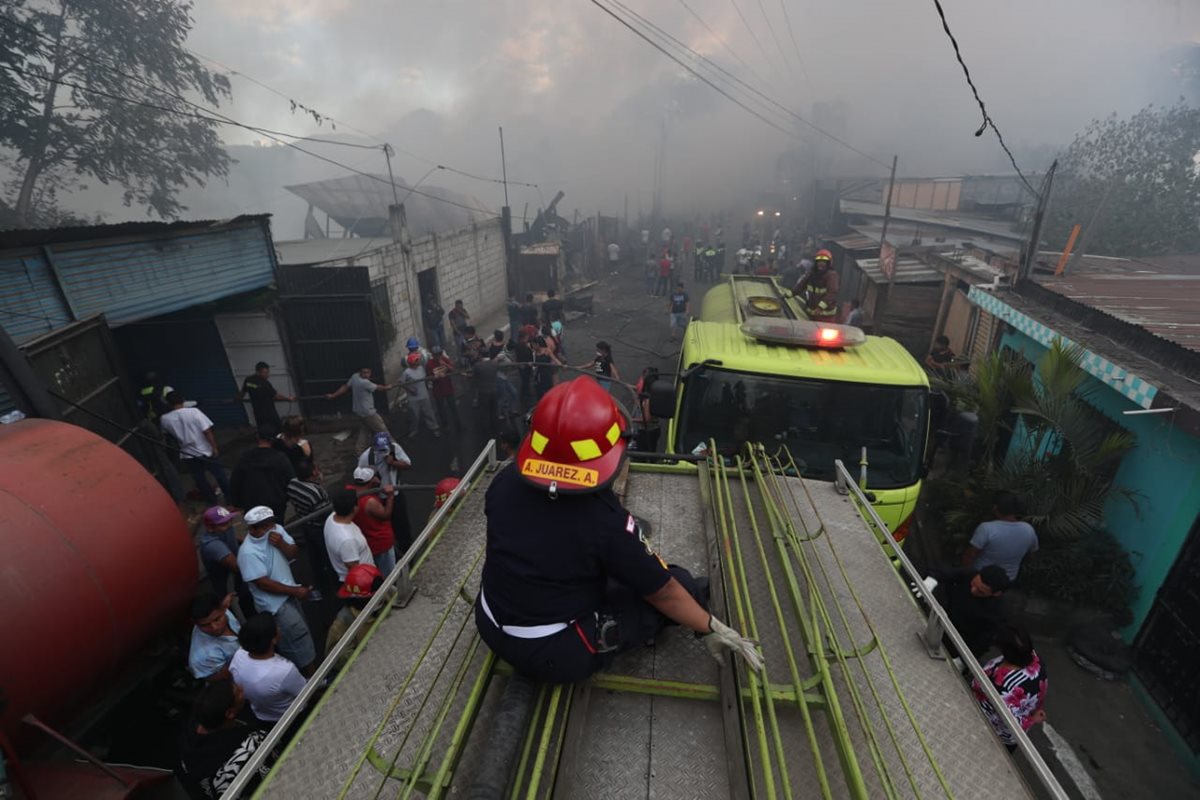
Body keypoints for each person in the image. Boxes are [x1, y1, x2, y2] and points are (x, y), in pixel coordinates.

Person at [475, 378, 762, 683]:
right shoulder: (604, 521)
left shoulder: (504, 483)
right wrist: (709, 627)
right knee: (683, 585)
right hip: (553, 654)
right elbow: (664, 592)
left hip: (491, 621)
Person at [236, 506, 316, 675]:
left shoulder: (277, 530)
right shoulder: (248, 553)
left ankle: (312, 672)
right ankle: (311, 679)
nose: (270, 529)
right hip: (276, 606)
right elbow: (263, 583)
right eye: (264, 527)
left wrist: (282, 544)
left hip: (290, 594)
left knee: (302, 633)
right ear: (252, 529)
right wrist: (296, 591)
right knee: (296, 641)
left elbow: (293, 552)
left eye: (270, 524)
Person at [177, 678, 268, 798]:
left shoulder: (194, 726)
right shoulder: (251, 743)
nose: (242, 689)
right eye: (238, 693)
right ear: (230, 713)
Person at [970, 625, 1048, 752]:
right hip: (1019, 719)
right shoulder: (1036, 660)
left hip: (994, 732)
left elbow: (1010, 722)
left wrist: (1032, 720)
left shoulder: (1003, 689)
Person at [229, 613, 307, 724]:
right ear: (273, 640)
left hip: (261, 716)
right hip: (291, 716)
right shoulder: (284, 671)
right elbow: (304, 691)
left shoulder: (238, 656)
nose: (279, 628)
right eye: (277, 627)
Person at [160, 392, 232, 506]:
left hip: (187, 453)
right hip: (205, 450)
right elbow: (207, 431)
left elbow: (168, 435)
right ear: (183, 400)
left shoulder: (164, 419)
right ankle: (230, 499)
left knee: (200, 479)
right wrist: (214, 447)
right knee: (220, 475)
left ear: (168, 403)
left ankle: (212, 501)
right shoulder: (194, 412)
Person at [929, 564, 1011, 659]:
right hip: (937, 620)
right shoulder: (968, 574)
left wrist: (963, 660)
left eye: (980, 591)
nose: (973, 590)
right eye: (973, 584)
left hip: (957, 642)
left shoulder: (997, 613)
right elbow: (944, 572)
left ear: (996, 594)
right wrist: (932, 580)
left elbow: (984, 642)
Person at [357, 431, 413, 552]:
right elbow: (360, 477)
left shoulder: (395, 448)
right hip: (377, 497)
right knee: (380, 527)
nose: (382, 453)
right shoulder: (366, 457)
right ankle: (389, 550)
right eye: (379, 450)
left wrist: (393, 462)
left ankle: (407, 551)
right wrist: (372, 481)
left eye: (384, 450)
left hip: (395, 494)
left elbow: (407, 464)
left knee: (402, 527)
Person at [963, 491, 1039, 581]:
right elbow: (1032, 555)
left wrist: (966, 576)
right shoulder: (1028, 529)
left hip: (981, 578)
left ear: (995, 508)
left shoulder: (987, 528)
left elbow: (970, 555)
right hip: (1007, 579)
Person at [286, 459, 336, 591]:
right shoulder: (315, 492)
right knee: (328, 556)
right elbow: (324, 512)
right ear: (313, 472)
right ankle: (335, 585)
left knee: (314, 557)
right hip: (318, 527)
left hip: (305, 524)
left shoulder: (293, 484)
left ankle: (321, 584)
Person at [325, 563, 386, 668]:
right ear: (359, 600)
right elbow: (336, 657)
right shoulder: (344, 622)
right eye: (374, 598)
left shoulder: (386, 594)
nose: (380, 600)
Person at [230, 424, 295, 520]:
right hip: (276, 504)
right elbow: (291, 480)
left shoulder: (245, 457)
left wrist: (236, 503)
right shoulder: (280, 458)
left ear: (257, 437)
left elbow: (235, 482)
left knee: (257, 531)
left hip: (252, 505)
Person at [198, 506, 253, 617]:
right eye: (223, 524)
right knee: (246, 611)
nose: (228, 526)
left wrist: (248, 542)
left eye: (229, 521)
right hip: (231, 589)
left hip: (242, 580)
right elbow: (236, 567)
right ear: (210, 528)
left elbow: (233, 537)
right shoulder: (213, 546)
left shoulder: (224, 528)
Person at [350, 467, 398, 575]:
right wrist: (390, 497)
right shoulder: (369, 502)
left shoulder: (349, 493)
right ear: (372, 480)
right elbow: (386, 515)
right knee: (388, 574)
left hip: (365, 544)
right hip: (380, 543)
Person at [323, 489, 375, 582]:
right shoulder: (347, 540)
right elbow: (354, 570)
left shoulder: (331, 518)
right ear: (355, 508)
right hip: (364, 582)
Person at [188, 592, 242, 682]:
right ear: (195, 624)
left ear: (224, 609)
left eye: (217, 619)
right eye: (205, 625)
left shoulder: (222, 609)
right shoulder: (202, 657)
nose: (214, 628)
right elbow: (221, 677)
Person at [326, 366, 393, 437]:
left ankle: (359, 448)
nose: (366, 375)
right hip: (368, 412)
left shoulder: (355, 377)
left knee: (365, 431)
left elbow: (345, 387)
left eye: (368, 373)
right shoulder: (364, 383)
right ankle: (393, 445)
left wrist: (333, 395)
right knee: (382, 430)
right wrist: (388, 387)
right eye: (364, 373)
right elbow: (379, 388)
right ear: (360, 372)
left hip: (359, 412)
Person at [237, 362, 295, 431]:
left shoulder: (249, 381)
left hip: (258, 413)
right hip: (269, 412)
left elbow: (243, 391)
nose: (268, 375)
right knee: (277, 429)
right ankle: (278, 440)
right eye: (265, 373)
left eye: (268, 372)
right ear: (258, 372)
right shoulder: (264, 383)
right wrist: (288, 398)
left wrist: (237, 399)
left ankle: (268, 440)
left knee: (264, 430)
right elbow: (276, 396)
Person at [400, 352, 440, 439]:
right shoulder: (406, 372)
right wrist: (410, 390)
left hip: (424, 394)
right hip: (413, 398)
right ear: (411, 362)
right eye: (416, 360)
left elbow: (425, 378)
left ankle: (434, 427)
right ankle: (414, 430)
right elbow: (401, 383)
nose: (418, 362)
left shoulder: (421, 368)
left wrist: (429, 383)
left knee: (429, 412)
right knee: (414, 415)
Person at [793, 249, 839, 320]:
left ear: (828, 263)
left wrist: (820, 307)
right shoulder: (811, 274)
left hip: (826, 317)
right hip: (810, 314)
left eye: (824, 262)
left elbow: (831, 293)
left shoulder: (831, 275)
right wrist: (789, 294)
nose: (821, 263)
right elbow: (800, 286)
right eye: (819, 261)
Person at [427, 345, 461, 430]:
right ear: (433, 355)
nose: (438, 356)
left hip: (448, 388)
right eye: (436, 355)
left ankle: (458, 422)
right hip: (438, 390)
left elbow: (452, 369)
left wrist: (445, 364)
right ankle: (445, 424)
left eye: (439, 354)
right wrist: (434, 378)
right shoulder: (429, 364)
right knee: (441, 408)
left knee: (453, 406)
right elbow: (428, 377)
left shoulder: (444, 360)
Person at [532, 336, 561, 400]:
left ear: (537, 344)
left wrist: (560, 364)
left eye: (533, 344)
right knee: (539, 389)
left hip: (547, 373)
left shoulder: (547, 351)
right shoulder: (535, 352)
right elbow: (535, 364)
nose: (532, 346)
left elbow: (554, 359)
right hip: (539, 373)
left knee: (547, 388)